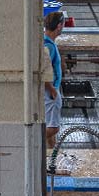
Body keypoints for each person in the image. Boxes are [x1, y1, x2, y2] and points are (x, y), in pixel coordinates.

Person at [41, 11, 66, 148]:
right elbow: (43, 69)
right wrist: (51, 88)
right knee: (53, 128)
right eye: (62, 25)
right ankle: (29, 142)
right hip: (50, 90)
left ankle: (51, 156)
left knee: (50, 125)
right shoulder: (49, 46)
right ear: (58, 26)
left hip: (49, 89)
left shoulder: (47, 42)